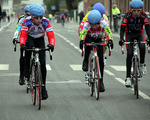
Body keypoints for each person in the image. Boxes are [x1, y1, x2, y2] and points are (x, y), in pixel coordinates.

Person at [20, 3, 55, 100]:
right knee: (28, 48)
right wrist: (22, 44)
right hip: (30, 38)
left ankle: (43, 87)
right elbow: (23, 35)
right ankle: (27, 67)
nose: (39, 20)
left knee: (43, 64)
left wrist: (51, 44)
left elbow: (51, 35)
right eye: (36, 18)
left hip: (40, 40)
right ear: (32, 17)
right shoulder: (27, 22)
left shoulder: (45, 22)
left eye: (41, 17)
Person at [79, 10, 113, 92]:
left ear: (99, 22)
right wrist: (81, 41)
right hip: (89, 38)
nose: (94, 27)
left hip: (99, 39)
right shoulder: (87, 23)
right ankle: (85, 61)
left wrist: (110, 40)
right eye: (92, 25)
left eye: (96, 25)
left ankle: (101, 81)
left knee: (101, 60)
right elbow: (83, 33)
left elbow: (108, 31)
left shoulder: (103, 22)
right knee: (87, 46)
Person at [119, 0, 150, 87]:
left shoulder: (144, 16)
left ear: (141, 10)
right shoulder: (127, 15)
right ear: (131, 10)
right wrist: (121, 39)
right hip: (129, 33)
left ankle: (142, 64)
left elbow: (147, 28)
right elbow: (122, 28)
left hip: (139, 33)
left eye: (138, 11)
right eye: (134, 11)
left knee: (142, 47)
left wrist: (149, 39)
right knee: (129, 54)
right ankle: (128, 77)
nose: (136, 13)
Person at [13, 5, 31, 85]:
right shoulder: (22, 19)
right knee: (23, 58)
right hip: (24, 39)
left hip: (33, 39)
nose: (28, 16)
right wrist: (15, 37)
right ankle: (21, 75)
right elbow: (18, 29)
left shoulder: (35, 18)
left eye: (30, 15)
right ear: (24, 13)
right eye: (27, 14)